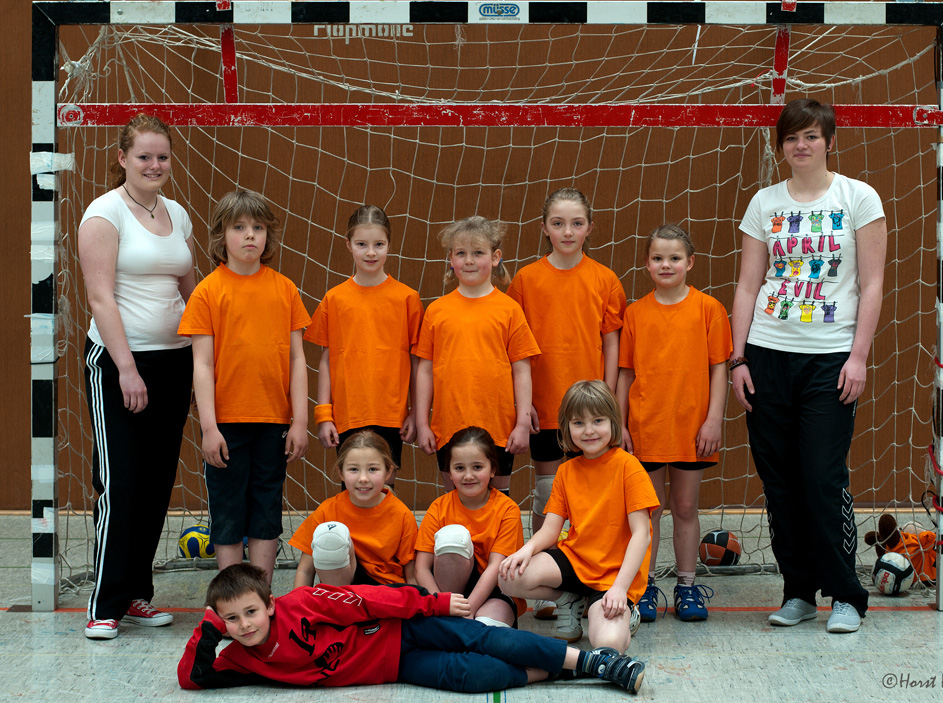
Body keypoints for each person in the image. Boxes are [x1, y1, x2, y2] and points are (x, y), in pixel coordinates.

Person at [730, 98, 887, 633]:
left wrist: (858, 356)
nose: (802, 145)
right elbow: (748, 285)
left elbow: (872, 283)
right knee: (780, 483)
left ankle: (846, 593)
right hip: (768, 356)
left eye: (812, 136)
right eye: (793, 137)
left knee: (822, 477)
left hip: (830, 360)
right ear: (782, 146)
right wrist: (738, 358)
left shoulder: (858, 197)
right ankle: (798, 591)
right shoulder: (764, 202)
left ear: (829, 141)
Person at [79, 113, 197, 640]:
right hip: (119, 364)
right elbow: (100, 297)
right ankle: (104, 603)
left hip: (175, 364)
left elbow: (192, 291)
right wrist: (126, 368)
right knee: (121, 484)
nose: (154, 165)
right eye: (144, 156)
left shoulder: (176, 213)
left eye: (162, 157)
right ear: (122, 158)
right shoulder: (104, 214)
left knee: (155, 485)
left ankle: (136, 595)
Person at [177, 564, 646, 693]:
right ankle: (562, 672)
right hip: (394, 666)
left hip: (404, 628)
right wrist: (209, 628)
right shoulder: (240, 654)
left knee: (488, 637)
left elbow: (368, 600)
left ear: (271, 605)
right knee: (472, 677)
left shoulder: (303, 604)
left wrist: (434, 602)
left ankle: (594, 661)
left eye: (250, 613)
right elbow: (192, 679)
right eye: (232, 619)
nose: (244, 625)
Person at [178, 189, 311, 583]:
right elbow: (201, 364)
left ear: (268, 234)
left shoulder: (284, 289)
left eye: (258, 227)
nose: (250, 235)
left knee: (267, 506)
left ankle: (261, 592)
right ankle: (233, 595)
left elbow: (297, 359)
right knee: (228, 508)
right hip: (226, 425)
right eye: (239, 227)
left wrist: (299, 422)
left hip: (274, 422)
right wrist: (209, 427)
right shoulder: (207, 292)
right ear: (222, 235)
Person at [506, 188, 626, 619]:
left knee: (594, 499)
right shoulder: (525, 279)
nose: (567, 231)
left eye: (576, 223)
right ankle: (547, 586)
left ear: (589, 228)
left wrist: (607, 398)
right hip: (545, 407)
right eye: (557, 223)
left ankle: (594, 582)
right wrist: (524, 405)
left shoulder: (605, 279)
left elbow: (611, 344)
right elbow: (516, 348)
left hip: (591, 414)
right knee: (548, 497)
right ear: (544, 229)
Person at [616, 224, 732, 623]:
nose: (666, 264)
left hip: (691, 428)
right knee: (647, 512)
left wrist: (714, 420)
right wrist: (620, 425)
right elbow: (626, 375)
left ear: (690, 262)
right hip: (645, 427)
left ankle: (686, 587)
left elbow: (719, 370)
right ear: (647, 264)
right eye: (658, 258)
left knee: (684, 506)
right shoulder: (635, 313)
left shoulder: (708, 309)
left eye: (675, 258)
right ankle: (643, 587)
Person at [499, 381, 659, 652]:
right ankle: (569, 599)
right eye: (578, 423)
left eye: (598, 420)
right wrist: (525, 551)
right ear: (566, 428)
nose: (589, 431)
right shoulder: (566, 471)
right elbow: (550, 531)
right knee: (508, 577)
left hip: (613, 575)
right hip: (576, 561)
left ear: (613, 421)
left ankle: (624, 612)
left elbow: (641, 534)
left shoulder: (629, 467)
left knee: (607, 644)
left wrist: (620, 589)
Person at [414, 216, 540, 494]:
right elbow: (425, 369)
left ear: (496, 257)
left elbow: (522, 369)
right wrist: (423, 423)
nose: (469, 260)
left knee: (498, 500)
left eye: (478, 253)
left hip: (498, 426)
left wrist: (521, 423)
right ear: (450, 258)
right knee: (456, 500)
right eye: (461, 253)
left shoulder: (509, 310)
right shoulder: (436, 311)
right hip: (449, 426)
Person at [306, 206, 423, 477]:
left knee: (384, 489)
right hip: (348, 416)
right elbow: (325, 360)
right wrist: (324, 415)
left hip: (392, 416)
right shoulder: (334, 299)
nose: (371, 252)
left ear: (389, 246)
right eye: (362, 244)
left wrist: (416, 413)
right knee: (354, 489)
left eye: (378, 244)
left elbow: (417, 362)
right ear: (348, 245)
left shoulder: (407, 299)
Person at [414, 427, 526, 628]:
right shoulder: (439, 507)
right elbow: (421, 568)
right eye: (459, 468)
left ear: (492, 469)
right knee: (453, 537)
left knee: (486, 629)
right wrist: (441, 604)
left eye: (477, 467)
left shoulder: (507, 509)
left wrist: (469, 610)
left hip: (494, 591)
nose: (468, 476)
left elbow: (495, 567)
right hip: (448, 590)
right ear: (448, 472)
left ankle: (463, 627)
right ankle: (449, 625)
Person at [289, 431, 418, 588]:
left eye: (372, 469)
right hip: (340, 591)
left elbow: (412, 576)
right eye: (354, 469)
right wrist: (296, 608)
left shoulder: (402, 514)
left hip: (384, 594)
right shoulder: (326, 511)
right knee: (331, 534)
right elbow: (306, 571)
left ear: (388, 472)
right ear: (340, 473)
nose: (363, 478)